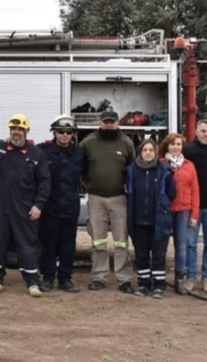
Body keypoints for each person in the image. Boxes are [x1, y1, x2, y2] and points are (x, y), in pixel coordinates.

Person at [0, 114, 51, 297]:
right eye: (13, 129)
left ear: (26, 131)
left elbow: (45, 181)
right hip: (0, 206)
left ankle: (32, 282)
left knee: (27, 245)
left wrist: (39, 205)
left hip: (25, 207)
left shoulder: (36, 153)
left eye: (19, 129)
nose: (16, 132)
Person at [80, 110, 136, 293]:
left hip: (120, 198)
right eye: (105, 122)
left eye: (112, 122)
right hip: (96, 198)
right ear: (99, 122)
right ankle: (99, 277)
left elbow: (133, 170)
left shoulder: (127, 143)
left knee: (121, 242)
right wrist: (88, 186)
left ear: (118, 123)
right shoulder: (88, 142)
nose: (109, 125)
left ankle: (124, 279)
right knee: (98, 241)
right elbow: (80, 168)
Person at [36, 115, 87, 293]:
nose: (65, 135)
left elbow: (85, 175)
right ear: (54, 133)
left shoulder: (80, 154)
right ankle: (48, 277)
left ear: (73, 134)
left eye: (68, 132)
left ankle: (65, 278)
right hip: (49, 206)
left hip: (70, 207)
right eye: (61, 132)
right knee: (48, 244)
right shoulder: (42, 151)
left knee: (68, 245)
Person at [126, 139, 175, 299]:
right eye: (145, 150)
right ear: (140, 152)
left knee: (159, 254)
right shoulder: (131, 170)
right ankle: (143, 284)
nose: (148, 152)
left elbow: (172, 193)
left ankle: (159, 286)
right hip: (138, 220)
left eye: (151, 150)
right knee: (141, 254)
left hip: (158, 220)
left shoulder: (164, 170)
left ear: (155, 153)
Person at [158, 133, 199, 295]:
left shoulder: (189, 166)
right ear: (166, 146)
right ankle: (158, 277)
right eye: (172, 144)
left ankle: (179, 280)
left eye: (179, 144)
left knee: (181, 246)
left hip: (183, 210)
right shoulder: (161, 164)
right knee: (160, 244)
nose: (175, 147)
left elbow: (195, 190)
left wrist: (194, 214)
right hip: (165, 210)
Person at [183, 119, 207, 294]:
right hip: (193, 207)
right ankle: (190, 277)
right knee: (190, 244)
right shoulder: (188, 151)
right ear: (196, 132)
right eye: (203, 131)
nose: (206, 134)